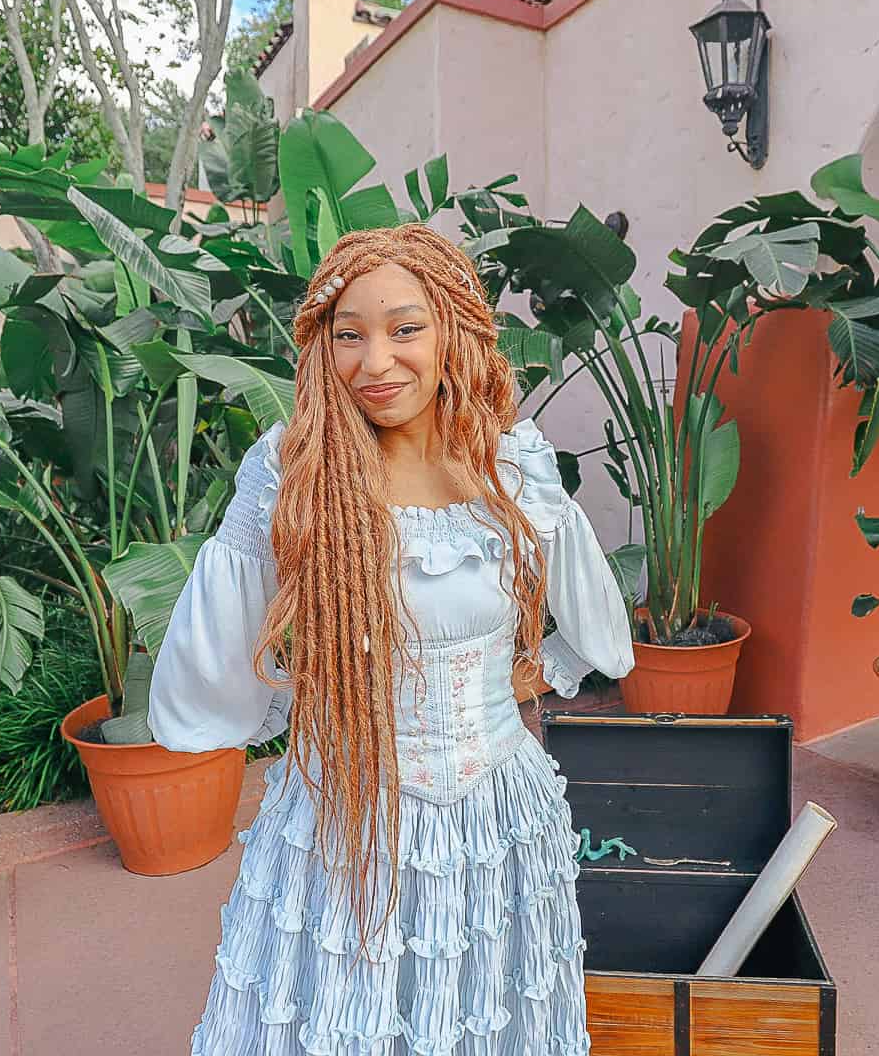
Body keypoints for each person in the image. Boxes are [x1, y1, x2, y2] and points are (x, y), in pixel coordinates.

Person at [148, 223, 636, 1056]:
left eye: (405, 329)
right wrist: (291, 706)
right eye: (350, 335)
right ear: (323, 349)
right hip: (347, 818)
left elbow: (601, 629)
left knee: (485, 1013)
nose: (377, 363)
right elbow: (220, 658)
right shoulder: (292, 469)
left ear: (451, 329)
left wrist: (540, 667)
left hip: (497, 818)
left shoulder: (510, 462)